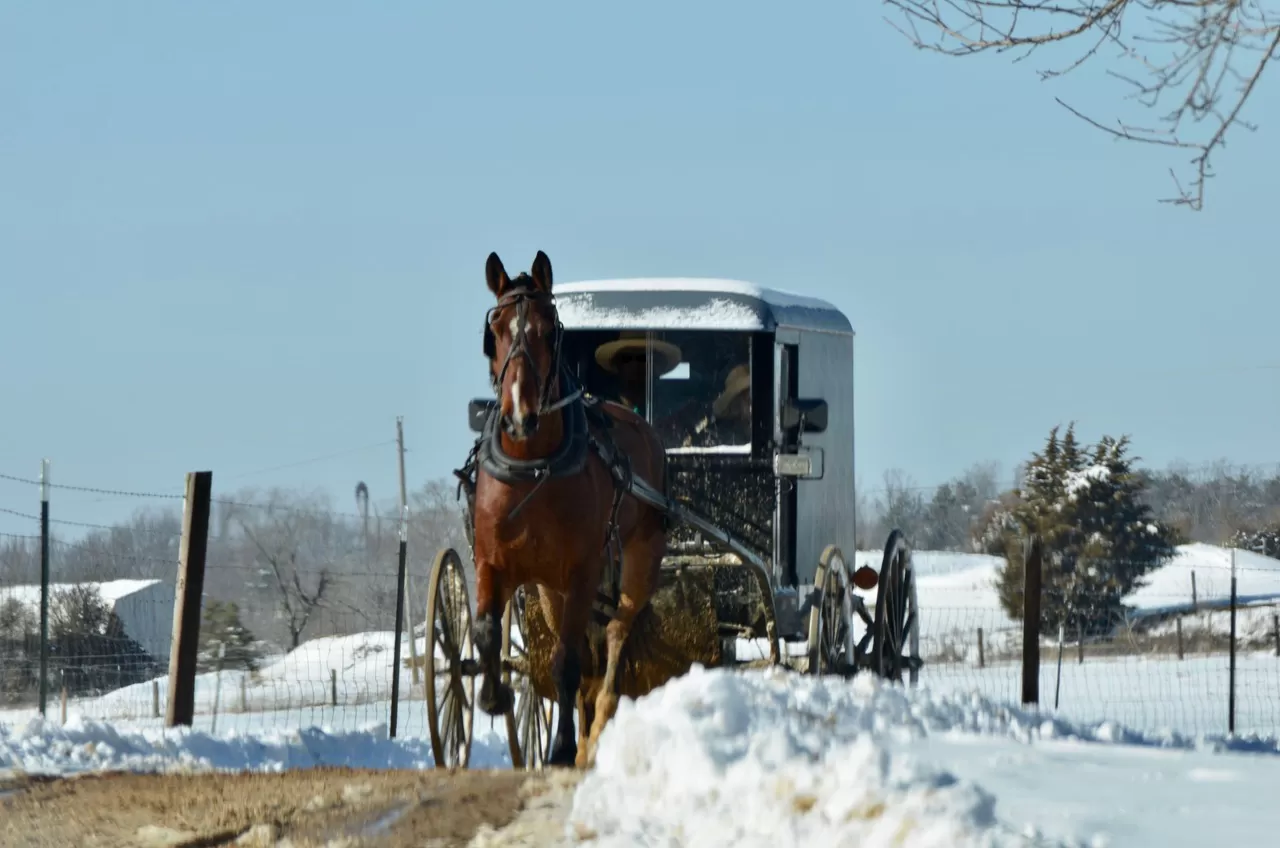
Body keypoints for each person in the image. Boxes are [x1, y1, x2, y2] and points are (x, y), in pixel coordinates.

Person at [593, 331, 682, 415]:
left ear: (657, 365)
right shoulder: (600, 411)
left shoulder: (670, 411)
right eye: (627, 358)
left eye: (644, 358)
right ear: (618, 364)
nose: (635, 365)